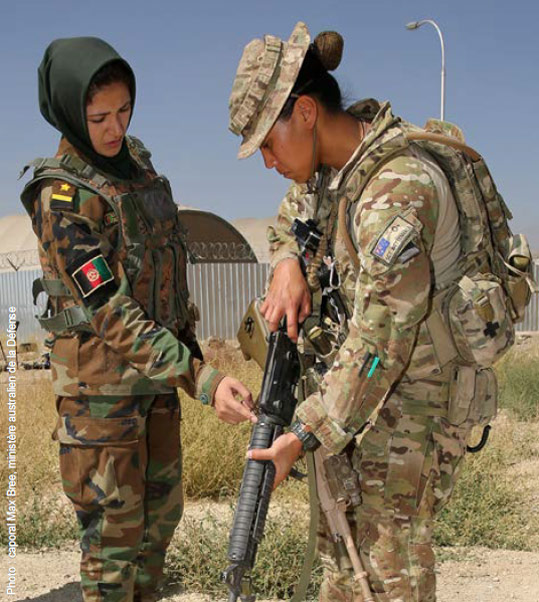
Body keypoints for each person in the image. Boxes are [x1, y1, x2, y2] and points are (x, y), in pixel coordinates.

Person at [228, 22, 504, 602]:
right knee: (341, 560)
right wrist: (286, 264)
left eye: (268, 145)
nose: (268, 163)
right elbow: (287, 221)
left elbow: (383, 344)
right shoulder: (330, 175)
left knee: (388, 564)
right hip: (360, 396)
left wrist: (302, 435)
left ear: (305, 112)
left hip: (414, 402)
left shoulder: (395, 188)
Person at [21, 37, 255, 602]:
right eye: (98, 116)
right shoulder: (61, 197)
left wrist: (188, 363)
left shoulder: (140, 173)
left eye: (124, 110)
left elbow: (168, 285)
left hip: (155, 389)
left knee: (160, 525)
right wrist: (202, 377)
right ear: (69, 110)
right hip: (99, 402)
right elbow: (112, 313)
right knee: (113, 544)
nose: (114, 128)